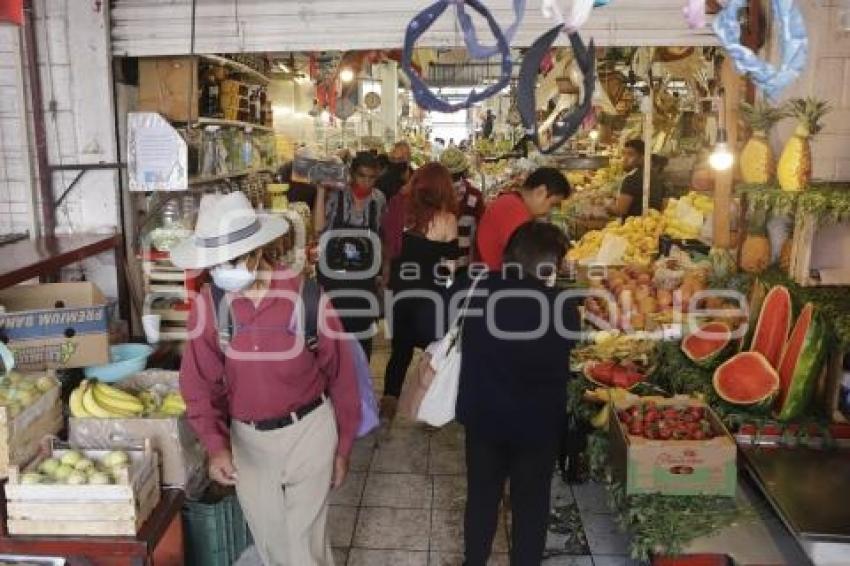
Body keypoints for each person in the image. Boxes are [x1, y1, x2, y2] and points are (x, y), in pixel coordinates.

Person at [173, 192, 361, 566]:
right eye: (213, 266)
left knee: (306, 546)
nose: (221, 273)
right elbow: (198, 385)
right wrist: (215, 445)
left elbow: (342, 377)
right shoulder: (210, 307)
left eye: (230, 261)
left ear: (257, 252)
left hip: (309, 431)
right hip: (248, 442)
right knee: (271, 544)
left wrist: (343, 448)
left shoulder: (306, 299)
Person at [456, 221, 580, 566]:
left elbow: (435, 324)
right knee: (531, 504)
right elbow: (570, 342)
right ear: (549, 266)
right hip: (537, 426)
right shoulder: (562, 305)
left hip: (483, 417)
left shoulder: (475, 286)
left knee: (482, 497)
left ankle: (474, 561)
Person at [380, 163, 460, 422]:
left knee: (400, 350)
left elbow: (387, 248)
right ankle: (427, 403)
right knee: (433, 350)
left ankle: (390, 398)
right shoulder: (448, 220)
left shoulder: (400, 212)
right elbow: (449, 269)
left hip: (398, 292)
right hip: (430, 296)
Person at [314, 151, 386, 360]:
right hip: (333, 280)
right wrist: (320, 190)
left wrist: (382, 273)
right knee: (333, 336)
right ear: (352, 174)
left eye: (372, 177)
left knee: (361, 339)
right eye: (362, 176)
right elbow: (318, 228)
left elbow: (381, 237)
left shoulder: (378, 200)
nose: (366, 182)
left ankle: (360, 382)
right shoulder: (337, 195)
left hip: (363, 282)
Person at [475, 167, 571, 270]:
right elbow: (530, 257)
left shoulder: (512, 202)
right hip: (496, 279)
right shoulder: (513, 209)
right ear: (540, 192)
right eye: (552, 204)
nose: (549, 211)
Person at [440, 146, 485, 272]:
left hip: (441, 260)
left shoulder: (435, 196)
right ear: (464, 171)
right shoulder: (475, 196)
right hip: (466, 260)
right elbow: (481, 229)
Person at [608, 139, 667, 218]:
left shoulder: (631, 179)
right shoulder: (655, 175)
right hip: (650, 222)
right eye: (624, 154)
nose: (625, 159)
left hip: (632, 226)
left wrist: (606, 205)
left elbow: (620, 210)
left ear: (642, 158)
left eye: (630, 154)